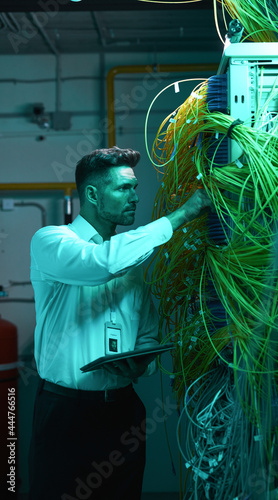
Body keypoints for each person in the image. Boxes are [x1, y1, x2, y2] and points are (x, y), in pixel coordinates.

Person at [28, 146, 212, 500]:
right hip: (66, 413)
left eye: (135, 187)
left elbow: (146, 332)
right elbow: (99, 265)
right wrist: (183, 215)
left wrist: (140, 360)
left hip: (122, 411)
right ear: (93, 195)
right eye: (123, 188)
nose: (135, 196)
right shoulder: (52, 242)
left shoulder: (130, 263)